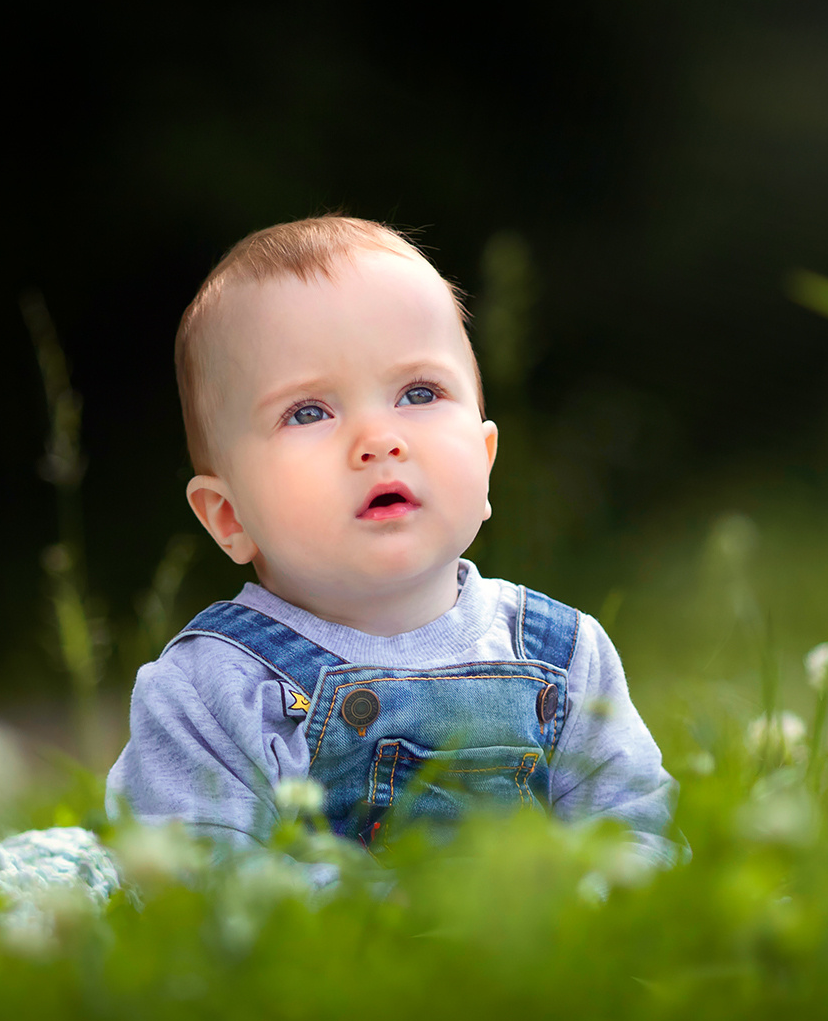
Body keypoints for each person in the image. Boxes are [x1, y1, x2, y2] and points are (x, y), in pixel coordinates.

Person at [107, 216, 679, 860]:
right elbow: (198, 885)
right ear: (228, 516)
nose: (380, 439)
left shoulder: (563, 655)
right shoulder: (214, 690)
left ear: (485, 460)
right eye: (308, 412)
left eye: (418, 392)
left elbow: (636, 832)